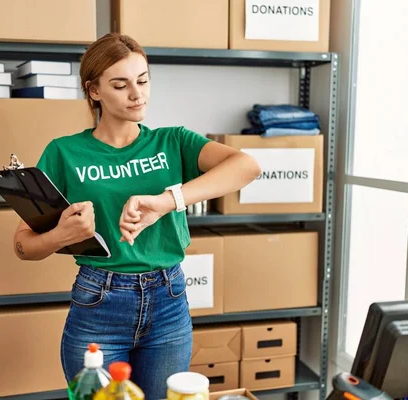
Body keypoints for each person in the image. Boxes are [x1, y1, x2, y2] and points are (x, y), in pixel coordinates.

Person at [13, 33, 261, 399]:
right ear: (94, 91)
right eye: (120, 84)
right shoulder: (64, 153)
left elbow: (248, 166)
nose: (137, 94)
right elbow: (22, 246)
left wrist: (168, 200)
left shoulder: (172, 141)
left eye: (143, 80)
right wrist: (61, 235)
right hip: (99, 304)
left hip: (169, 300)